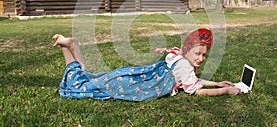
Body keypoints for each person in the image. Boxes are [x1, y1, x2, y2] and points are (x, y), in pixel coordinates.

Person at [52, 28, 240, 101]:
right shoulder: (185, 66)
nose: (200, 58)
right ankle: (70, 47)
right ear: (187, 49)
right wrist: (225, 91)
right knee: (83, 88)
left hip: (132, 75)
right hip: (136, 84)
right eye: (197, 53)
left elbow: (194, 80)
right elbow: (197, 90)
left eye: (203, 56)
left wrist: (216, 83)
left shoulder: (177, 56)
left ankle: (69, 46)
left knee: (92, 79)